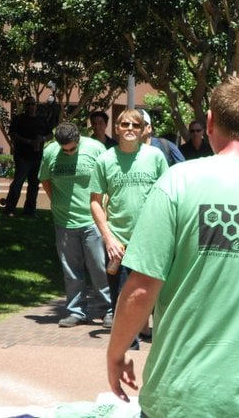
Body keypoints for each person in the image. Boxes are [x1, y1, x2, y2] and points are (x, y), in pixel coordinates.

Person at [106, 75, 239, 416]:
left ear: (209, 122)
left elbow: (141, 289)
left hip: (180, 399)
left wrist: (115, 355)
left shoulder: (177, 181)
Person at [89, 109, 168, 344]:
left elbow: (167, 195)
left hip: (150, 240)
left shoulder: (155, 157)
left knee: (151, 293)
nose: (130, 129)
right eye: (125, 124)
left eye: (135, 124)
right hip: (118, 242)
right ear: (117, 128)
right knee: (122, 296)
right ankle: (127, 344)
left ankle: (146, 331)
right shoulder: (105, 160)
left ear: (144, 129)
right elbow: (95, 202)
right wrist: (108, 238)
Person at [39, 122, 112, 328]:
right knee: (71, 271)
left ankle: (108, 309)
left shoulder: (96, 148)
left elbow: (108, 178)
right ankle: (76, 311)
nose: (69, 152)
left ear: (79, 139)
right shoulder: (50, 152)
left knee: (99, 268)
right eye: (65, 149)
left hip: (93, 220)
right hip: (64, 221)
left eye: (73, 148)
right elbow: (45, 179)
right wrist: (57, 202)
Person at [3, 96, 53, 217]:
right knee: (18, 183)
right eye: (28, 104)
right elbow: (13, 134)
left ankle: (30, 211)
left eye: (32, 104)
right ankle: (9, 209)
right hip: (23, 156)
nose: (30, 106)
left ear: (36, 105)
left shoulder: (41, 120)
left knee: (34, 184)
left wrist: (43, 138)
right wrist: (27, 141)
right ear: (24, 106)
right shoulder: (18, 119)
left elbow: (50, 134)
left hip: (37, 156)